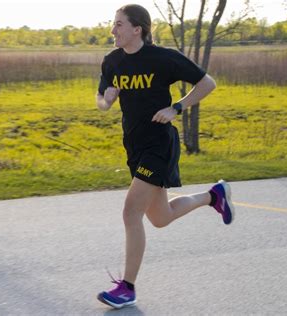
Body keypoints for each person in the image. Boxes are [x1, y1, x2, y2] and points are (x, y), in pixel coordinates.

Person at [96, 4, 235, 309]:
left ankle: (127, 288)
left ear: (138, 29)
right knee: (160, 218)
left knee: (130, 211)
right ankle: (214, 196)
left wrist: (177, 108)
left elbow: (207, 83)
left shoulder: (163, 58)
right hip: (134, 146)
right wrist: (105, 101)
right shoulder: (112, 61)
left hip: (159, 145)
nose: (113, 30)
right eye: (113, 24)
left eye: (119, 24)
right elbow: (101, 97)